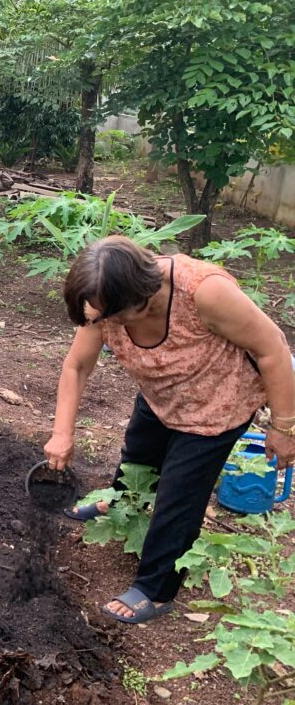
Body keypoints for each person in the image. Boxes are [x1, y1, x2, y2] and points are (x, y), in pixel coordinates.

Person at [45, 236, 295, 624]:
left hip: (216, 406)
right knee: (138, 455)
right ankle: (119, 505)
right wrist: (62, 433)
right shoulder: (103, 303)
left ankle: (156, 589)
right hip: (161, 391)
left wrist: (284, 426)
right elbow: (76, 366)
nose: (102, 325)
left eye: (110, 318)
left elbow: (273, 348)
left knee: (180, 497)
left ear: (140, 301)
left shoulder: (203, 292)